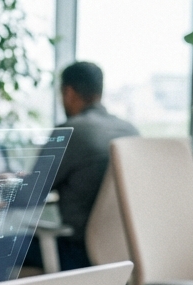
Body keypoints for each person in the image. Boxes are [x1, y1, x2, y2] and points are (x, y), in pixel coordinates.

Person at [29, 61, 138, 271]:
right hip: (124, 255)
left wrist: (4, 183)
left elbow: (29, 194)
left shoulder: (70, 131)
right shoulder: (129, 130)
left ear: (68, 92)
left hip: (80, 254)